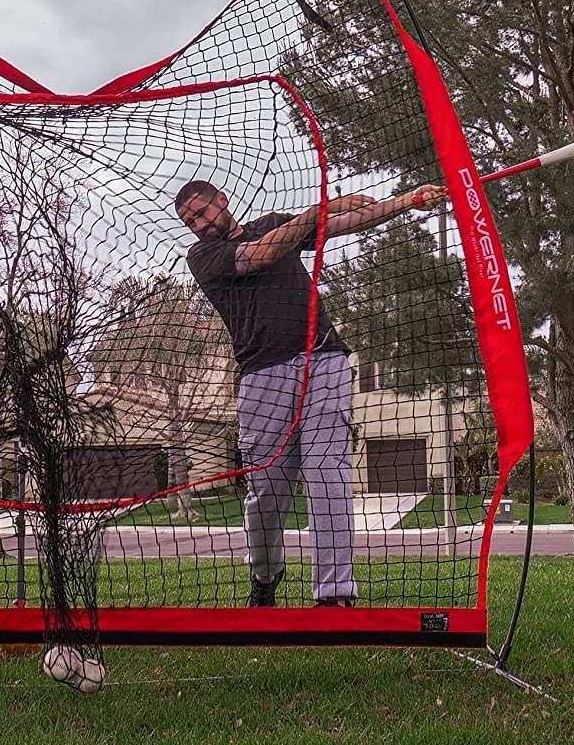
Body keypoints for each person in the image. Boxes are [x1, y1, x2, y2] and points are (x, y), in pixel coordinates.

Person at [175, 177, 448, 607]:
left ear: (221, 200)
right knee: (267, 492)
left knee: (328, 475)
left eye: (202, 210)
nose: (199, 222)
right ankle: (265, 575)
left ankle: (335, 596)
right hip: (262, 378)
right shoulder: (203, 256)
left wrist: (407, 201)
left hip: (324, 361)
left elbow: (348, 222)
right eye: (190, 219)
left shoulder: (270, 222)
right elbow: (263, 253)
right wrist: (315, 212)